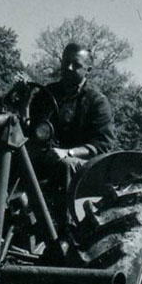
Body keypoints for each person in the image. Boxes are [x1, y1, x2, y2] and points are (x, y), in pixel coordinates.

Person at [41, 42, 116, 181]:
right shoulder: (47, 93)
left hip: (81, 163)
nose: (69, 68)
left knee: (66, 165)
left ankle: (63, 203)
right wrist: (24, 100)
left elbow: (102, 146)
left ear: (88, 70)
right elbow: (30, 124)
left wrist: (69, 152)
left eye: (76, 64)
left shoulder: (97, 102)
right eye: (66, 62)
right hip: (47, 154)